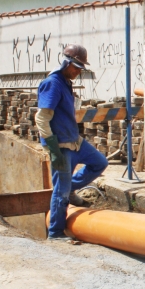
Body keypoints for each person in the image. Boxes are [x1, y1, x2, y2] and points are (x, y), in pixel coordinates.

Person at [36, 44, 108, 241]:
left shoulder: (66, 82)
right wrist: (53, 150)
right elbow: (41, 119)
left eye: (80, 68)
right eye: (76, 67)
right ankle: (55, 232)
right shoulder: (53, 83)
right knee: (60, 191)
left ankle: (71, 189)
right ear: (66, 62)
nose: (78, 72)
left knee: (99, 163)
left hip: (74, 142)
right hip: (60, 146)